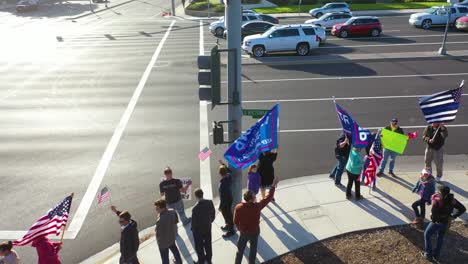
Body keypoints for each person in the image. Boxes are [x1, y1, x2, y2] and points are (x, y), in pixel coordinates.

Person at [234, 178, 279, 264]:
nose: (256, 197)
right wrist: (273, 186)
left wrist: (240, 229)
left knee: (240, 251)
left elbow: (235, 221)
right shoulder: (257, 206)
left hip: (243, 232)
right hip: (254, 231)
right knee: (253, 250)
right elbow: (268, 198)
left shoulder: (238, 207)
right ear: (251, 199)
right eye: (254, 196)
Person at [423, 186, 466, 261]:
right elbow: (463, 208)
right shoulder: (452, 200)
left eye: (438, 192)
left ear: (441, 193)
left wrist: (431, 217)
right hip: (446, 222)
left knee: (427, 234)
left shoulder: (437, 201)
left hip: (437, 223)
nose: (437, 193)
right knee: (440, 238)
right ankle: (436, 255)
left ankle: (428, 254)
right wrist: (454, 216)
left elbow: (434, 217)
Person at [154, 199, 182, 264]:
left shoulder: (159, 220)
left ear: (162, 208)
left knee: (165, 258)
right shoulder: (172, 211)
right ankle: (179, 262)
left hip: (163, 243)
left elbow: (158, 234)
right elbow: (176, 222)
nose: (156, 210)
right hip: (172, 238)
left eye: (157, 208)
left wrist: (159, 243)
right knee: (175, 251)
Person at [191, 189, 216, 264]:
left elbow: (194, 222)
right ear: (203, 194)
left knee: (199, 246)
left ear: (196, 196)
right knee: (208, 244)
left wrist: (193, 230)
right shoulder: (209, 202)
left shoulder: (195, 208)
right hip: (207, 227)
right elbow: (213, 214)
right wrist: (210, 221)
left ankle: (201, 261)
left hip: (198, 231)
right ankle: (209, 259)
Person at [218, 160, 235, 238]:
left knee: (227, 215)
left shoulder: (222, 184)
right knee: (228, 214)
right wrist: (223, 164)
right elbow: (229, 171)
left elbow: (223, 197)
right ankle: (228, 225)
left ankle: (231, 230)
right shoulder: (229, 176)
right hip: (229, 198)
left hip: (226, 201)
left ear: (220, 174)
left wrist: (220, 207)